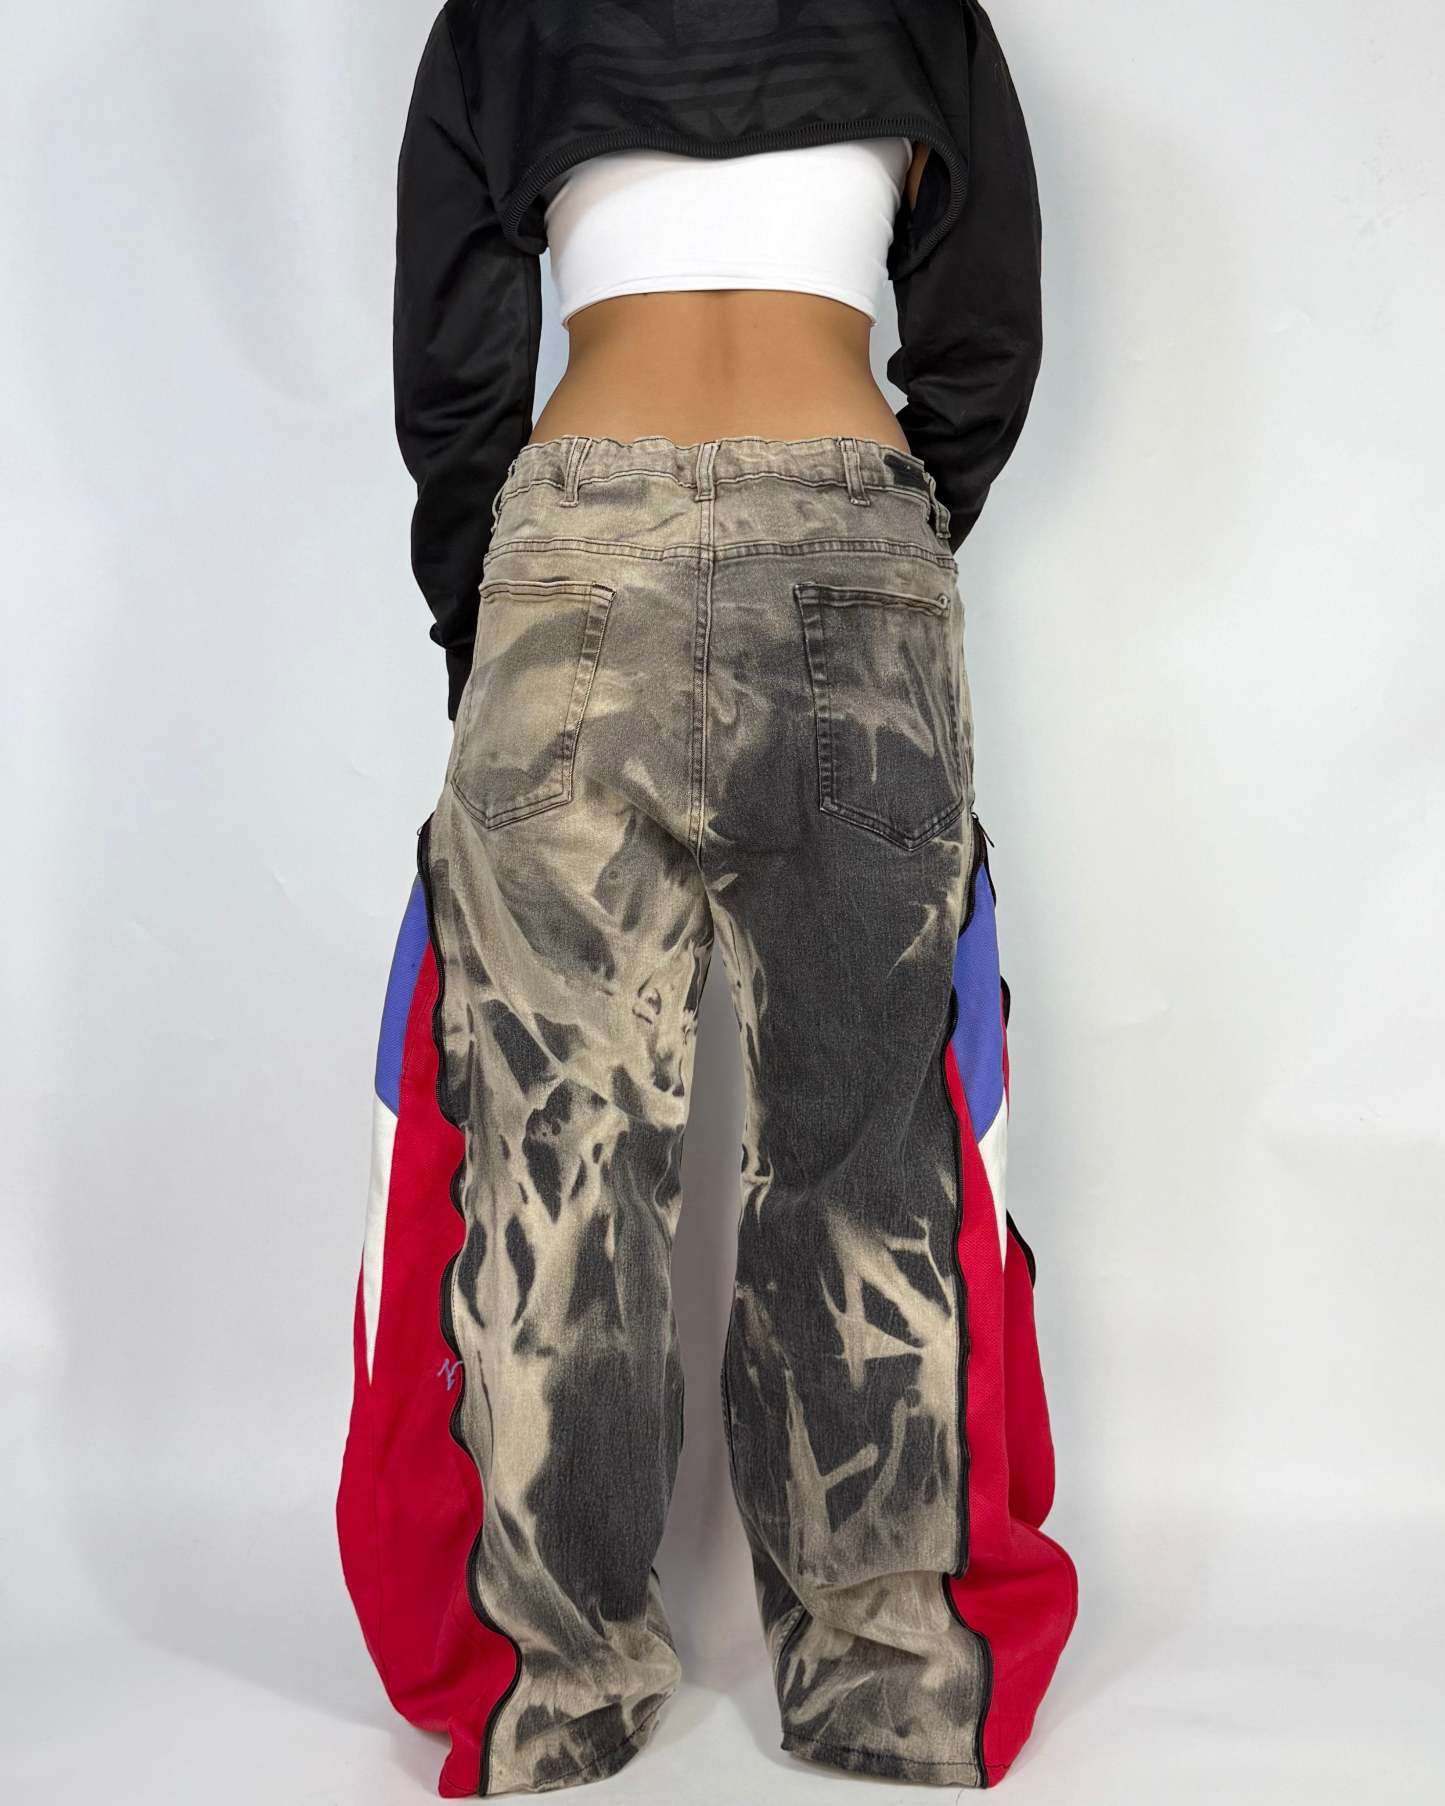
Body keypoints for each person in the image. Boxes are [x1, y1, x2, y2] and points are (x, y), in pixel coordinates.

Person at [336, 1, 1078, 1795]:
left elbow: (452, 364)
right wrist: (876, 546)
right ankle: (893, 1680)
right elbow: (982, 337)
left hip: (574, 555)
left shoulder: (507, 15)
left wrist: (488, 623)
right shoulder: (921, 12)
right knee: (871, 1157)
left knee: (551, 1157)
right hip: (852, 538)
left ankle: (553, 1694)